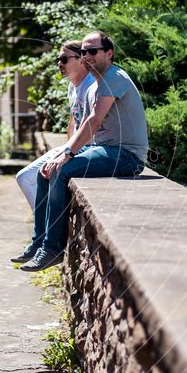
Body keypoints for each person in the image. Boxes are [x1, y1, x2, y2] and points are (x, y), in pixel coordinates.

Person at [13, 30, 148, 271]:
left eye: (92, 51)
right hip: (104, 150)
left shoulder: (113, 77)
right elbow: (84, 122)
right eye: (84, 51)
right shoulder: (95, 84)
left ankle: (53, 249)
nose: (87, 55)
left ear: (109, 53)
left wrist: (67, 155)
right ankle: (40, 242)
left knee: (61, 170)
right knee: (46, 171)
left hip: (126, 155)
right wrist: (62, 152)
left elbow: (94, 121)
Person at [14, 40, 94, 212]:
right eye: (58, 59)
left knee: (32, 177)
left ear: (81, 59)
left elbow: (91, 124)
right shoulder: (73, 87)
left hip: (89, 150)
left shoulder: (92, 86)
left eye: (64, 59)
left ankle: (47, 231)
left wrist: (68, 154)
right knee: (23, 177)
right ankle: (44, 228)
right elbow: (73, 121)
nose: (59, 63)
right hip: (73, 148)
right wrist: (66, 148)